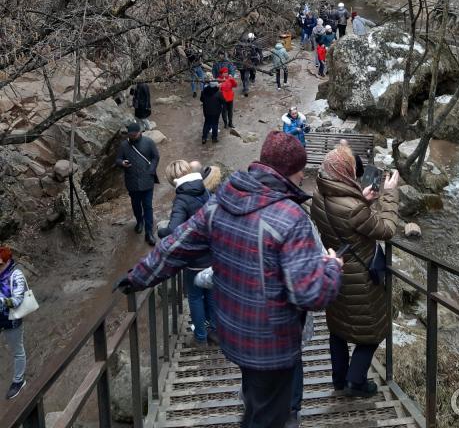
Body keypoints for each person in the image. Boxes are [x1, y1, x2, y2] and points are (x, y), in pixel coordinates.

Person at [116, 131, 343, 428]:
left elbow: (176, 245)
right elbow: (312, 295)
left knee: (255, 404)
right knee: (268, 415)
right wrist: (332, 267)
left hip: (235, 333)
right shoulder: (290, 217)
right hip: (273, 345)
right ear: (292, 172)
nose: (302, 180)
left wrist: (136, 277)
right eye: (301, 174)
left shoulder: (221, 201)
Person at [311, 144, 400, 397]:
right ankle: (355, 381)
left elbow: (346, 217)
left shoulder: (318, 194)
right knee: (373, 333)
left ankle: (338, 380)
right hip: (361, 280)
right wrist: (390, 194)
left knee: (338, 329)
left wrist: (362, 199)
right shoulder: (353, 208)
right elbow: (386, 229)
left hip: (335, 271)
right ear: (346, 172)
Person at [158, 161, 218, 347]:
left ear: (173, 180)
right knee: (210, 293)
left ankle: (200, 337)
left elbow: (174, 229)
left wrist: (161, 231)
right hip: (211, 252)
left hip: (194, 257)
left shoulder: (182, 199)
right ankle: (215, 333)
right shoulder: (204, 189)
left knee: (195, 297)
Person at [115, 122, 160, 245]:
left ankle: (149, 232)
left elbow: (156, 157)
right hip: (132, 180)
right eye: (130, 135)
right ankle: (139, 221)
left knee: (148, 206)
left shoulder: (149, 142)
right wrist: (122, 163)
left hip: (147, 180)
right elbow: (117, 159)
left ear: (140, 132)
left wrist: (151, 170)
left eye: (134, 135)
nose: (133, 137)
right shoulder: (124, 145)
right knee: (135, 204)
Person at [0, 247, 27, 400]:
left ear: (8, 261)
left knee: (17, 350)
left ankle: (19, 381)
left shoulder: (16, 275)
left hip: (11, 319)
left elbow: (17, 300)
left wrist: (1, 300)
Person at [200, 74, 222, 144]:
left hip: (207, 111)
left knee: (207, 123)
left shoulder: (204, 91)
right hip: (216, 112)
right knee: (215, 124)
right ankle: (214, 138)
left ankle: (204, 138)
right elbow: (223, 101)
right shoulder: (218, 92)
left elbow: (201, 100)